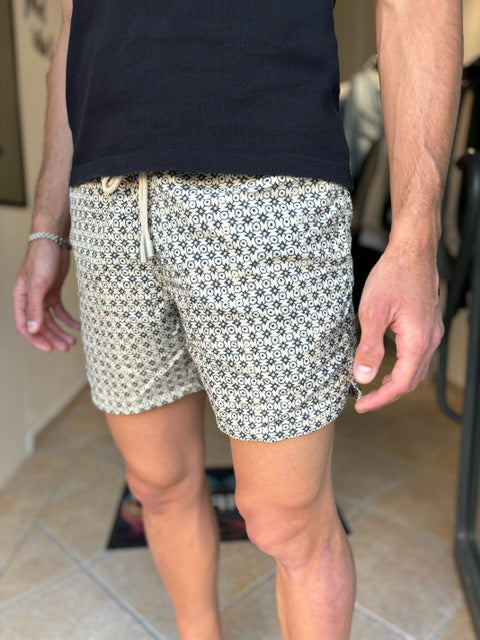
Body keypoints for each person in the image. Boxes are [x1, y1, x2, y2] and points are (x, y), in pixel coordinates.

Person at [12, 1, 462, 638]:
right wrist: (45, 227)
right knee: (156, 483)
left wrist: (414, 241)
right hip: (105, 206)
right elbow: (70, 25)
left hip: (268, 186)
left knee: (287, 519)